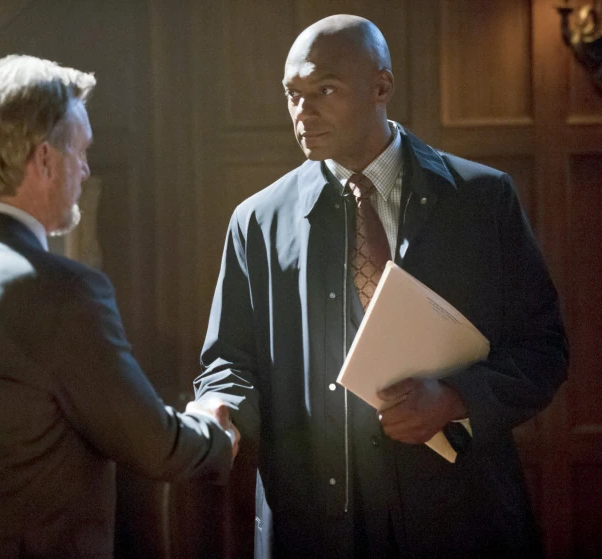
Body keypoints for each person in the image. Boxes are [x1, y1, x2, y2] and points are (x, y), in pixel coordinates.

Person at [190, 14, 568, 558]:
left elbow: (544, 350)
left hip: (460, 516)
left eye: (324, 90)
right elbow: (228, 360)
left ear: (381, 87)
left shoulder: (482, 200)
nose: (302, 112)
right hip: (313, 523)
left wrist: (455, 399)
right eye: (293, 94)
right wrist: (218, 409)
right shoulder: (257, 221)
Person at [0, 54, 239, 559]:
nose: (85, 169)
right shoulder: (60, 292)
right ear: (44, 160)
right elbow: (153, 445)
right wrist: (214, 431)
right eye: (80, 151)